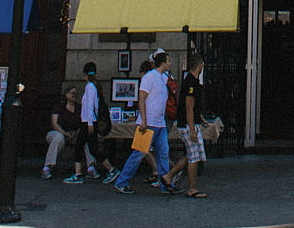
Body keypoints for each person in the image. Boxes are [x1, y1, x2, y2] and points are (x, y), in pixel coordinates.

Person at [111, 48, 175, 194]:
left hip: (159, 123)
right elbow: (141, 98)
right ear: (163, 62)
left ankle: (165, 184)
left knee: (163, 153)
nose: (170, 63)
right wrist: (144, 120)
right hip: (148, 123)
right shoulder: (149, 77)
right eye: (168, 61)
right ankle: (122, 181)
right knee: (139, 154)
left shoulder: (163, 77)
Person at [175, 57, 209, 199]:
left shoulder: (191, 81)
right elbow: (189, 107)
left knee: (190, 154)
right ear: (199, 66)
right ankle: (192, 188)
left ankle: (169, 176)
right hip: (189, 125)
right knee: (194, 157)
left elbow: (193, 108)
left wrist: (200, 119)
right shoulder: (191, 82)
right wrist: (192, 130)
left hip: (190, 123)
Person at [78, 63, 111, 179]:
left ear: (84, 74)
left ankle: (111, 169)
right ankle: (77, 173)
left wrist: (90, 123)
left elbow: (90, 106)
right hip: (88, 121)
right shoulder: (94, 86)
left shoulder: (90, 86)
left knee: (93, 149)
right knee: (85, 147)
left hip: (88, 122)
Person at [45, 87, 83, 179]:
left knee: (85, 138)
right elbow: (55, 124)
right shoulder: (58, 107)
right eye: (72, 93)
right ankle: (48, 166)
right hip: (58, 132)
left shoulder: (79, 108)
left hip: (74, 134)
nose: (74, 95)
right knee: (58, 137)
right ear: (66, 94)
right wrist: (65, 134)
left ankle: (91, 167)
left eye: (75, 93)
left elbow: (83, 123)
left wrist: (76, 133)